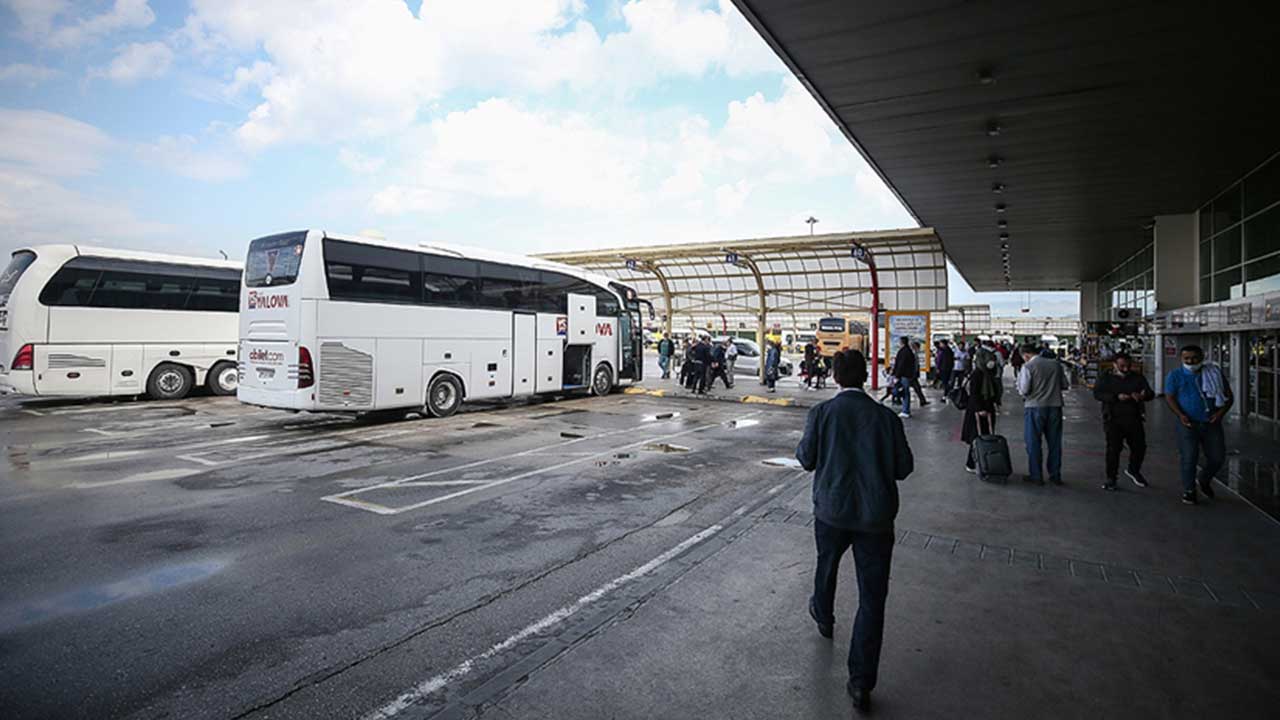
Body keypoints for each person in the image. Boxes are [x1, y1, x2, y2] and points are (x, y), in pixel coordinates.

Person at [796, 349, 913, 715]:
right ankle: (861, 683)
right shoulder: (886, 418)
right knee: (872, 599)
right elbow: (903, 468)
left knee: (826, 564)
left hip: (830, 512)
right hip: (875, 519)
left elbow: (806, 459)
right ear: (865, 376)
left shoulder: (823, 413)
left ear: (835, 377)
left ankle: (824, 614)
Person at [1164, 345, 1233, 505]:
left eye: (1194, 358)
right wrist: (1181, 415)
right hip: (1187, 424)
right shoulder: (1175, 375)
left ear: (1202, 357)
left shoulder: (1213, 373)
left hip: (1211, 423)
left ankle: (1204, 479)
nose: (1190, 361)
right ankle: (1189, 490)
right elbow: (1170, 397)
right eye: (1186, 358)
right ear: (1181, 359)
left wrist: (1220, 413)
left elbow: (1229, 396)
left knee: (1217, 457)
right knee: (1189, 457)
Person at [1093, 353, 1153, 491]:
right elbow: (1097, 394)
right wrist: (1115, 397)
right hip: (1113, 419)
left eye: (1128, 366)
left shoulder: (1138, 378)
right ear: (1114, 364)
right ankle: (1111, 478)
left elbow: (1150, 393)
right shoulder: (1105, 378)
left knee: (1139, 447)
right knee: (1113, 449)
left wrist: (1144, 395)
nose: (1126, 369)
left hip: (1134, 417)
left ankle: (1134, 470)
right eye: (1122, 366)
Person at [1017, 342, 1069, 485]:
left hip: (1034, 408)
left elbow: (1024, 390)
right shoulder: (1056, 365)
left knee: (1033, 442)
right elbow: (1065, 385)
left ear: (1026, 355)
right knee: (1054, 443)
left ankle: (1036, 476)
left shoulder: (1028, 366)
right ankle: (1055, 475)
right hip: (1055, 407)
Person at [961, 347, 1003, 472]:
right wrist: (979, 409)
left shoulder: (988, 373)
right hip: (977, 410)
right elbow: (974, 394)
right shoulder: (977, 374)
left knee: (986, 436)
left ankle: (983, 461)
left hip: (987, 408)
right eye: (989, 359)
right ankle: (971, 464)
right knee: (977, 437)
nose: (992, 362)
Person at [891, 336, 917, 419]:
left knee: (904, 392)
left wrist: (897, 375)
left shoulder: (903, 352)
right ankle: (905, 409)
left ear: (901, 342)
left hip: (903, 375)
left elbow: (901, 365)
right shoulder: (908, 351)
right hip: (907, 375)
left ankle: (905, 410)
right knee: (903, 391)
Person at [908, 341, 929, 407]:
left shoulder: (914, 353)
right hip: (912, 374)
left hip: (912, 374)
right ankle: (922, 401)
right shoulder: (913, 354)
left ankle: (922, 400)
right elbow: (915, 365)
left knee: (916, 388)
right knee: (916, 388)